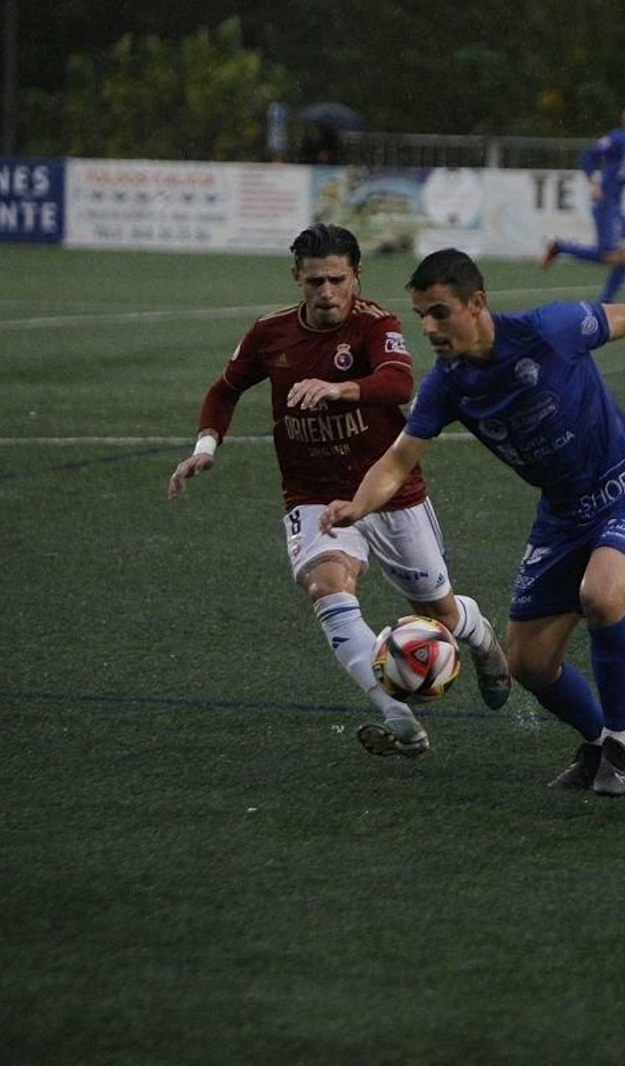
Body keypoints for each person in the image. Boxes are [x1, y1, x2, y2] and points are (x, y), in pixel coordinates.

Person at [322, 249, 625, 796]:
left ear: (477, 303)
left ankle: (621, 746)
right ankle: (595, 742)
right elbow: (397, 461)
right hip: (561, 517)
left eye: (440, 312)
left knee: (602, 597)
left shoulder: (549, 329)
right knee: (528, 664)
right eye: (421, 316)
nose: (430, 328)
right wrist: (357, 505)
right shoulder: (448, 385)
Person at [167, 223, 510, 759]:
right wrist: (206, 446)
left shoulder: (378, 324)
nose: (326, 293)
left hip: (387, 489)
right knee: (327, 586)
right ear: (296, 278)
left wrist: (339, 389)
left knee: (437, 611)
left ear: (356, 275)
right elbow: (224, 389)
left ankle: (483, 639)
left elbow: (398, 383)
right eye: (314, 282)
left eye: (336, 279)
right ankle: (400, 721)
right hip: (311, 491)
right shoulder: (271, 332)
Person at [538, 100, 625, 304]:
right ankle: (561, 247)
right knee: (609, 256)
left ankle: (606, 303)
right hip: (605, 201)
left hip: (616, 205)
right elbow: (587, 157)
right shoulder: (616, 138)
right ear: (624, 116)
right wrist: (592, 181)